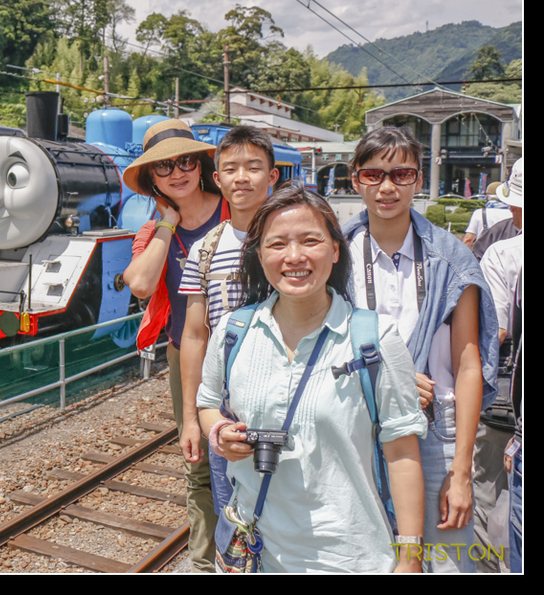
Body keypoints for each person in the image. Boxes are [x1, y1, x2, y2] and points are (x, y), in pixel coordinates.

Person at [196, 184, 426, 572]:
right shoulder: (233, 331)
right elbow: (206, 404)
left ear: (336, 250)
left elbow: (402, 453)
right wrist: (219, 433)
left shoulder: (373, 339)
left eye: (310, 240)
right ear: (259, 254)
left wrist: (410, 559)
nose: (294, 256)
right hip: (252, 553)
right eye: (277, 244)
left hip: (346, 557)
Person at [341, 126, 498, 572]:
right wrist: (389, 376)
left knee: (448, 562)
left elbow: (470, 365)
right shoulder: (335, 254)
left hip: (438, 433)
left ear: (418, 181)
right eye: (373, 174)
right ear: (356, 180)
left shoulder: (451, 259)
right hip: (357, 425)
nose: (387, 187)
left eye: (401, 173)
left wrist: (462, 471)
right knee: (364, 558)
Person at [122, 119, 226, 572]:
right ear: (151, 180)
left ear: (201, 164)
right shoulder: (156, 231)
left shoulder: (236, 211)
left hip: (247, 349)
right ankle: (204, 562)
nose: (176, 173)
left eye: (185, 160)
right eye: (162, 168)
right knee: (198, 461)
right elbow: (141, 284)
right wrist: (168, 222)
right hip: (188, 353)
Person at [177, 125, 280, 514]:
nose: (242, 178)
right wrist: (192, 419)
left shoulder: (292, 238)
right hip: (225, 408)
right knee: (232, 513)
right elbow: (194, 335)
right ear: (217, 179)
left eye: (253, 167)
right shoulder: (205, 250)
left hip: (287, 395)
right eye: (231, 169)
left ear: (272, 176)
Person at [475, 159, 523, 571]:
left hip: (505, 402)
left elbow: (498, 331)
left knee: (484, 494)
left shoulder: (504, 253)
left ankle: (490, 568)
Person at [462, 181, 512, 247]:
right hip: (508, 254)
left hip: (483, 254)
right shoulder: (513, 214)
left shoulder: (479, 213)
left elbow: (468, 239)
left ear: (487, 197)